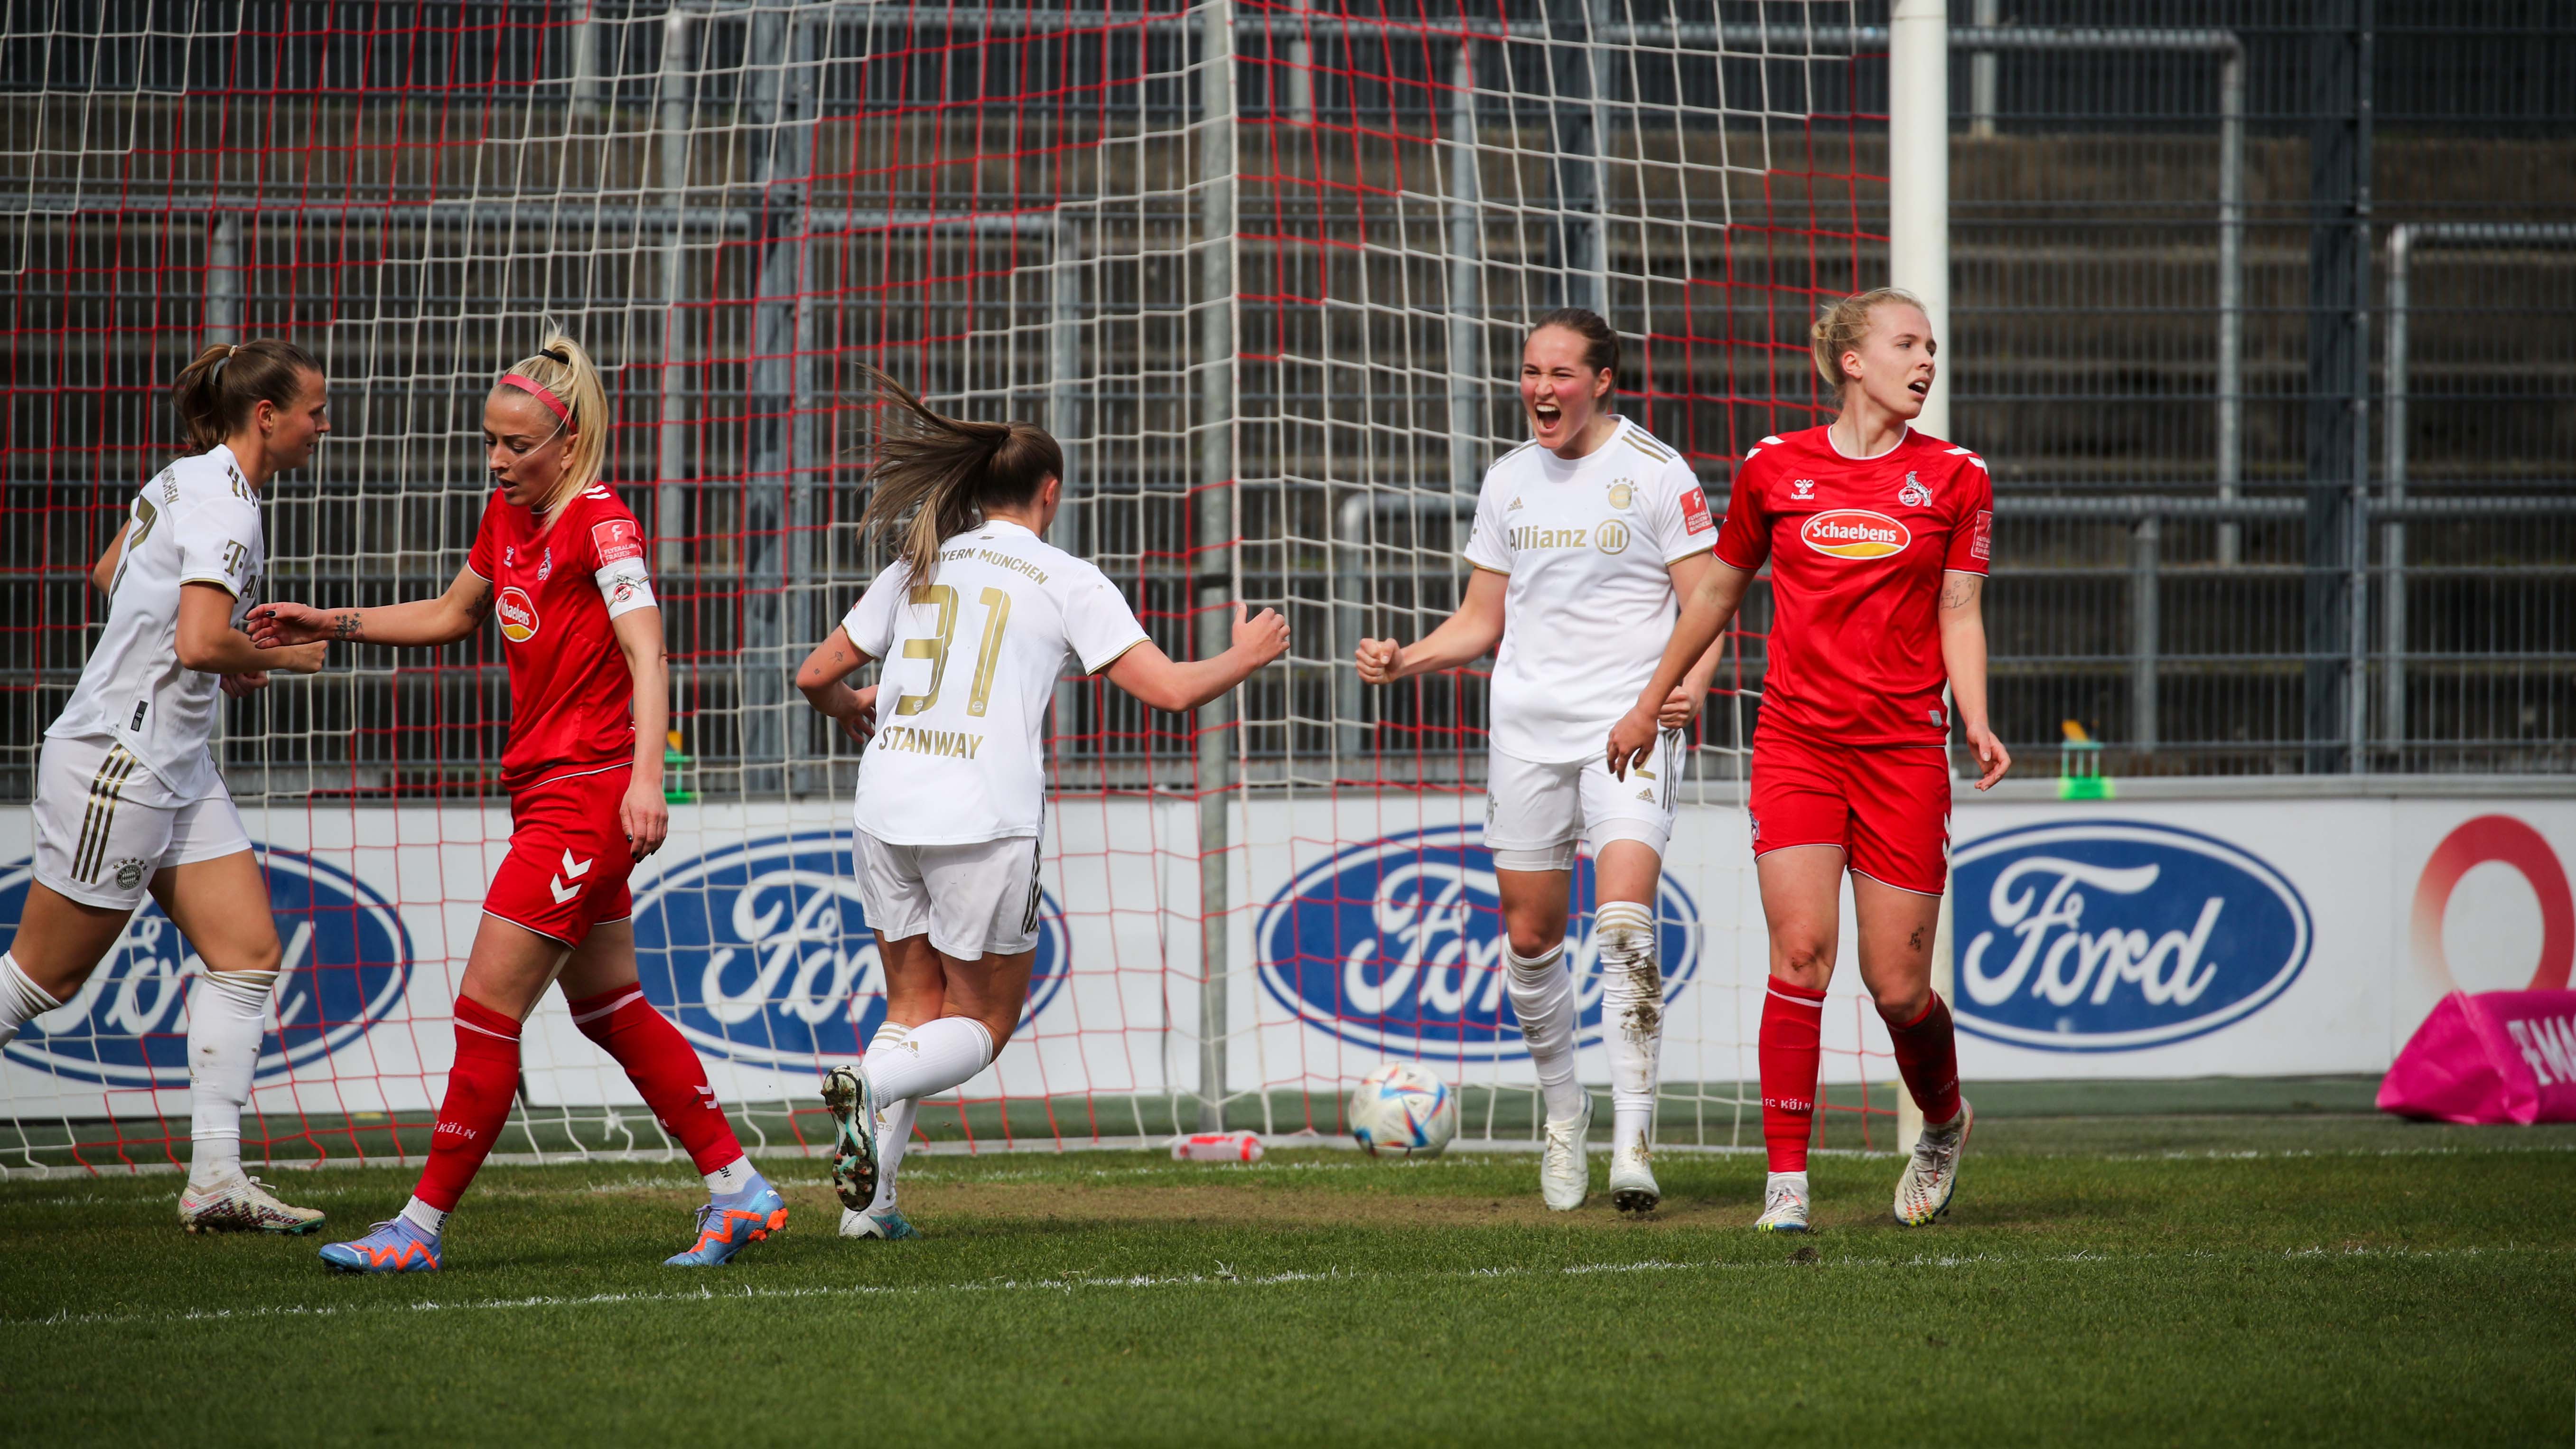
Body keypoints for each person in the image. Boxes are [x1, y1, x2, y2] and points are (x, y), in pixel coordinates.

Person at [250, 335, 782, 1272]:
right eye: (489, 442)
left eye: (515, 446)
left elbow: (648, 651)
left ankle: (415, 1232)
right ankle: (738, 1191)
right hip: (546, 793)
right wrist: (328, 619)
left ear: (566, 443)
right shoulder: (510, 517)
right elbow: (453, 614)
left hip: (588, 796)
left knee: (484, 1010)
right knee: (610, 1006)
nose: (497, 462)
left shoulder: (604, 524)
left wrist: (648, 780)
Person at [797, 366, 1289, 1240]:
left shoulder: (916, 562)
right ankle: (869, 1089)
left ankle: (868, 1212)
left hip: (887, 802)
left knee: (909, 1007)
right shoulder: (1066, 576)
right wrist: (1247, 655)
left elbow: (813, 675)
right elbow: (1170, 692)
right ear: (1049, 492)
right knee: (983, 1019)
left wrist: (852, 709)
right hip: (982, 816)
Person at [1353, 308, 1731, 1215]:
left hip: (1630, 727)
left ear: (1604, 380)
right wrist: (1410, 658)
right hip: (1526, 731)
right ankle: (1565, 1116)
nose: (1541, 390)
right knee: (1531, 941)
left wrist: (1689, 692)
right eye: (1530, 372)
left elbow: (1708, 602)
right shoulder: (1510, 480)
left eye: (1561, 373)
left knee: (1626, 929)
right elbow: (1484, 620)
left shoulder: (1655, 472)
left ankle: (1634, 1141)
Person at [0, 339, 332, 1233]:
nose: (322, 427)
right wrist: (279, 654)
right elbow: (195, 641)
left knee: (248, 952)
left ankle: (216, 1180)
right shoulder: (228, 503)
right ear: (267, 417)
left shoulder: (185, 476)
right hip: (123, 762)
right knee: (38, 982)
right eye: (314, 412)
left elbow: (110, 573)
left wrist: (200, 651)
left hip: (174, 764)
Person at [1705, 287, 2010, 1233]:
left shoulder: (1956, 478)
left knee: (1896, 989)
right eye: (1907, 344)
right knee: (1798, 955)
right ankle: (1785, 1187)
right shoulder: (1772, 470)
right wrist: (1649, 702)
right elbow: (1718, 587)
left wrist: (1975, 717)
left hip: (1901, 757)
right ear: (1850, 362)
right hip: (1795, 743)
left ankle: (1944, 1118)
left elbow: (1957, 610)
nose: (1926, 360)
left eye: (1932, 346)